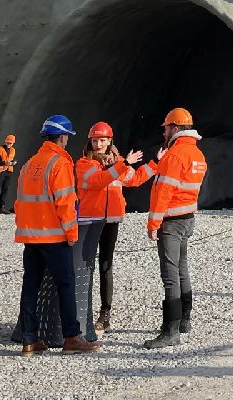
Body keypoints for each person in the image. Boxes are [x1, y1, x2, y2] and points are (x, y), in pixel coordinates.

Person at [14, 114, 100, 354]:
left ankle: (29, 339)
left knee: (30, 285)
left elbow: (20, 202)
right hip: (53, 237)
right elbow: (65, 203)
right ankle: (72, 337)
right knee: (66, 284)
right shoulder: (59, 164)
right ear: (63, 137)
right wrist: (72, 233)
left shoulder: (29, 164)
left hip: (30, 237)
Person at [143, 107, 207, 349]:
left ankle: (171, 331)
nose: (165, 132)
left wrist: (153, 223)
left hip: (171, 221)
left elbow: (163, 192)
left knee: (170, 275)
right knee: (182, 269)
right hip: (188, 218)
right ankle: (184, 321)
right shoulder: (198, 155)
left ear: (176, 128)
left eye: (167, 128)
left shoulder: (174, 155)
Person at [74, 122, 144, 338]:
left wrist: (157, 163)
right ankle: (81, 312)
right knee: (85, 267)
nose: (99, 144)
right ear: (90, 142)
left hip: (110, 221)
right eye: (95, 140)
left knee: (105, 265)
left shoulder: (117, 163)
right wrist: (123, 164)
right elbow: (98, 181)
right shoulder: (84, 164)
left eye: (103, 140)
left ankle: (105, 313)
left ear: (109, 141)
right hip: (89, 221)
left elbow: (136, 179)